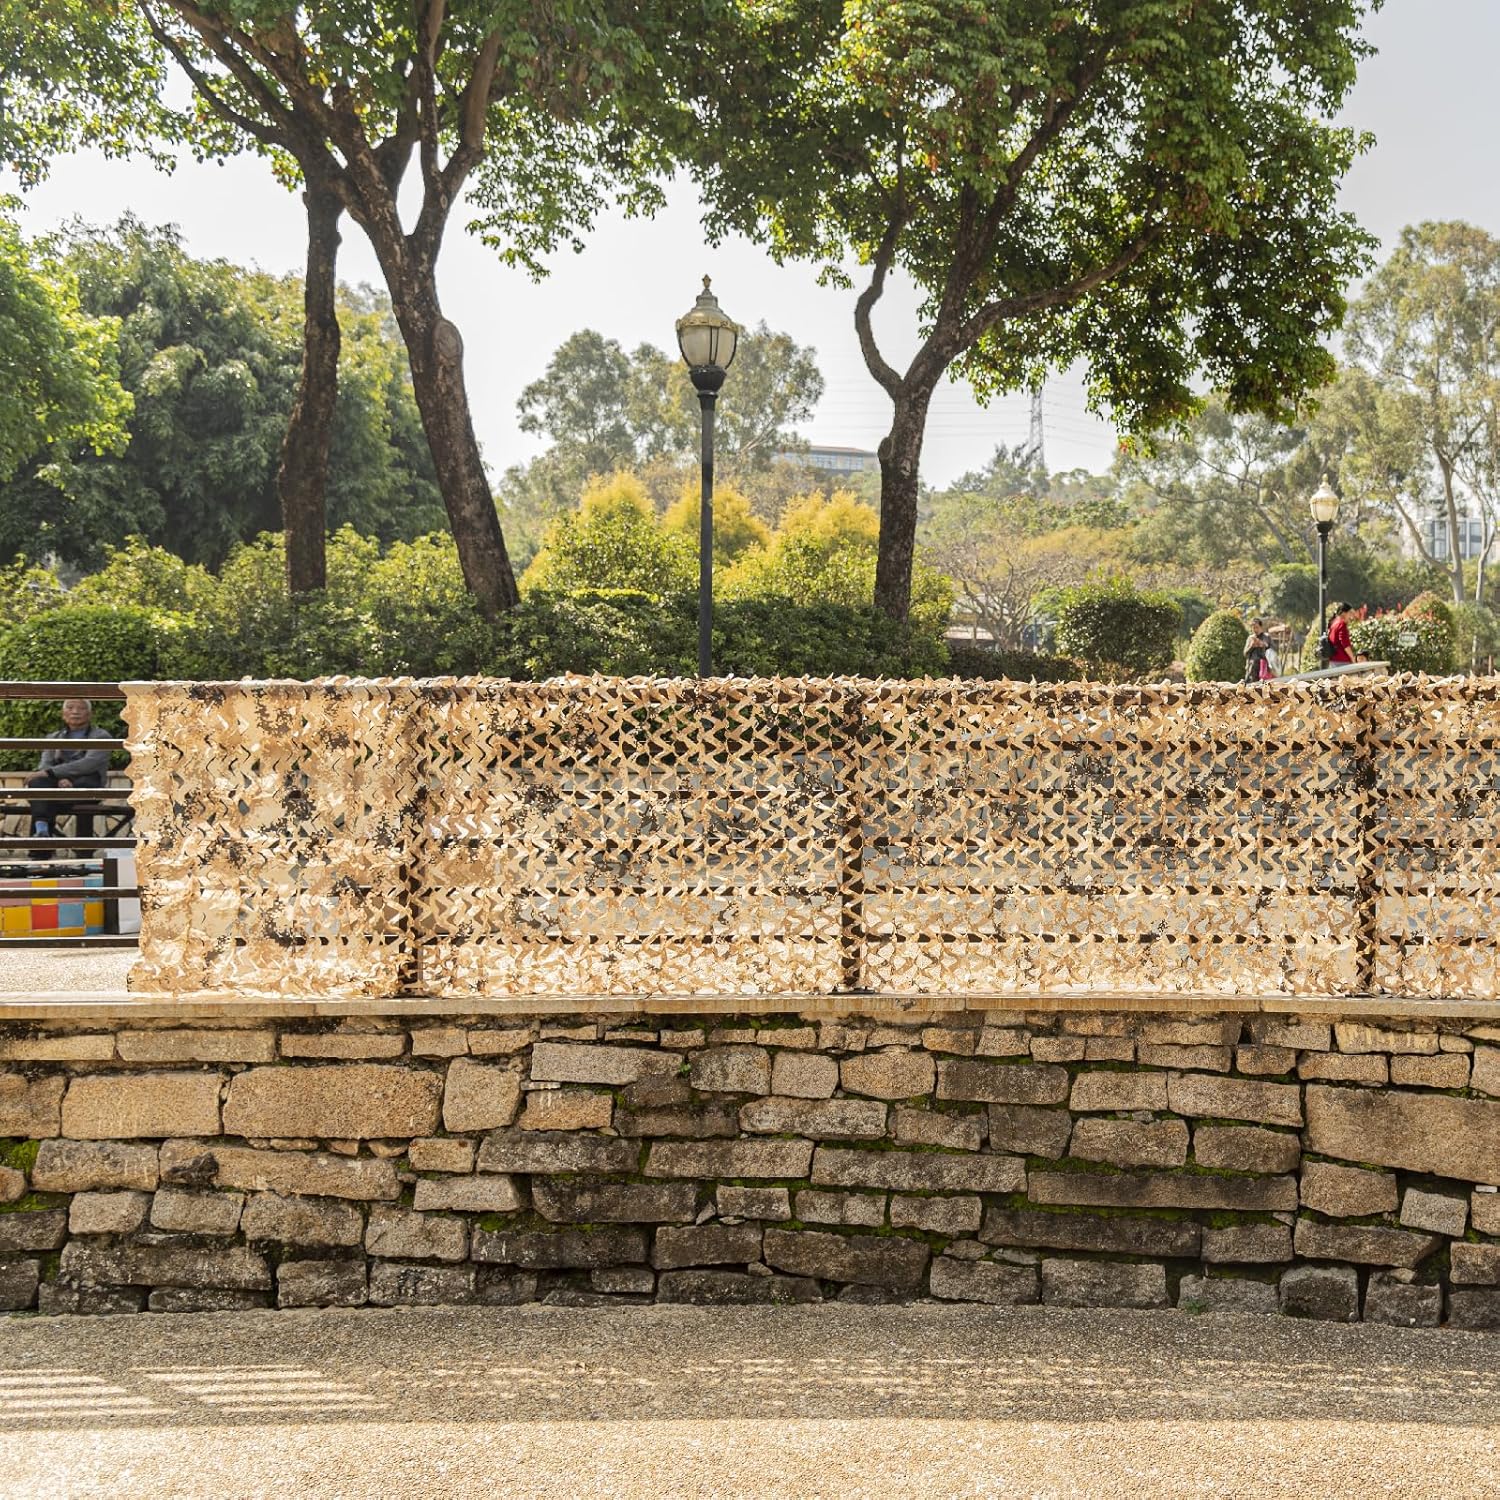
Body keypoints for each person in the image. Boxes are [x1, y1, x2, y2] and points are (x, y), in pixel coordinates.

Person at [26, 698, 112, 856]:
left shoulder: (101, 736)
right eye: (70, 708)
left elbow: (88, 764)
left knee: (45, 798)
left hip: (86, 786)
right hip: (57, 787)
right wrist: (59, 779)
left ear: (90, 714)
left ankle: (46, 844)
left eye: (81, 708)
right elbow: (44, 765)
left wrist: (57, 775)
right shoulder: (53, 737)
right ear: (63, 714)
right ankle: (41, 831)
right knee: (38, 782)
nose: (75, 712)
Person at [1243, 618, 1272, 683]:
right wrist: (1251, 646)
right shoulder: (1250, 638)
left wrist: (1262, 644)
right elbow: (1245, 653)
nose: (1255, 630)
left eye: (1257, 627)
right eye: (1253, 628)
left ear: (1261, 627)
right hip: (1251, 670)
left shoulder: (1266, 637)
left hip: (1264, 669)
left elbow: (1271, 649)